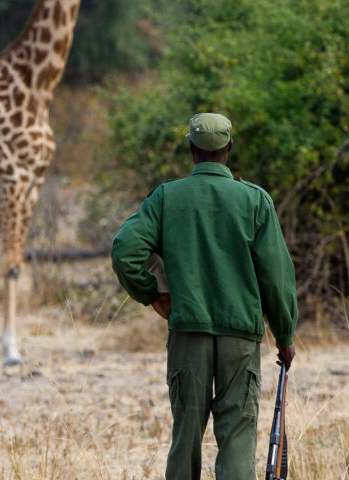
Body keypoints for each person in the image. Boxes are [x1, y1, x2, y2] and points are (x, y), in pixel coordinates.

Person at [111, 113, 299, 480]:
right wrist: (285, 336)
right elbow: (276, 278)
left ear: (191, 149)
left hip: (188, 335)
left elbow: (124, 251)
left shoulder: (167, 197)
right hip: (240, 338)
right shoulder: (255, 201)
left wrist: (152, 295)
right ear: (229, 148)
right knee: (237, 436)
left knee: (186, 437)